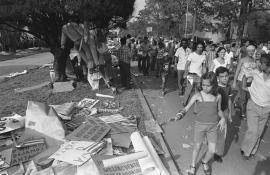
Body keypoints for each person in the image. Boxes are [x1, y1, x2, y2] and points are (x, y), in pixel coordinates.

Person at [174, 72, 226, 175]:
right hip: (200, 126)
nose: (205, 88)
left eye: (208, 85)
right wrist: (180, 114)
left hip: (213, 126)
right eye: (203, 85)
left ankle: (204, 161)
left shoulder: (218, 96)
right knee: (197, 147)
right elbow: (186, 108)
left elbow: (219, 110)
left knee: (212, 150)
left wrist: (223, 118)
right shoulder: (198, 95)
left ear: (214, 85)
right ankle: (192, 166)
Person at [240, 54, 270, 159]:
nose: (259, 64)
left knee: (259, 132)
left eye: (262, 62)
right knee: (253, 130)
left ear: (267, 64)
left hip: (266, 109)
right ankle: (246, 150)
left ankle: (252, 149)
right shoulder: (256, 72)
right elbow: (244, 73)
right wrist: (244, 87)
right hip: (253, 105)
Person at [214, 67, 233, 163]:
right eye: (222, 77)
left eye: (226, 76)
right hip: (214, 113)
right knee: (212, 131)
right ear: (218, 77)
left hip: (224, 112)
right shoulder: (215, 88)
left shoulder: (229, 87)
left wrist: (229, 114)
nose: (225, 78)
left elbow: (229, 100)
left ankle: (218, 153)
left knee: (222, 134)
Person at [232, 45, 257, 118]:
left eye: (252, 50)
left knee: (249, 98)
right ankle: (242, 113)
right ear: (247, 51)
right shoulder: (242, 60)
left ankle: (243, 108)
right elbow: (237, 71)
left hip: (251, 81)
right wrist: (234, 82)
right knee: (243, 98)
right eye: (249, 51)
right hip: (241, 81)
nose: (251, 52)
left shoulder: (254, 59)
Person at [183, 42, 207, 106]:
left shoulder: (203, 56)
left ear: (203, 48)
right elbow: (187, 64)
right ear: (196, 47)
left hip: (199, 76)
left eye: (201, 47)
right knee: (189, 89)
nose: (199, 48)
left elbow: (204, 66)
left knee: (197, 91)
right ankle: (184, 102)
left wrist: (204, 75)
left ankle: (196, 107)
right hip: (191, 75)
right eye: (198, 47)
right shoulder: (192, 54)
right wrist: (185, 73)